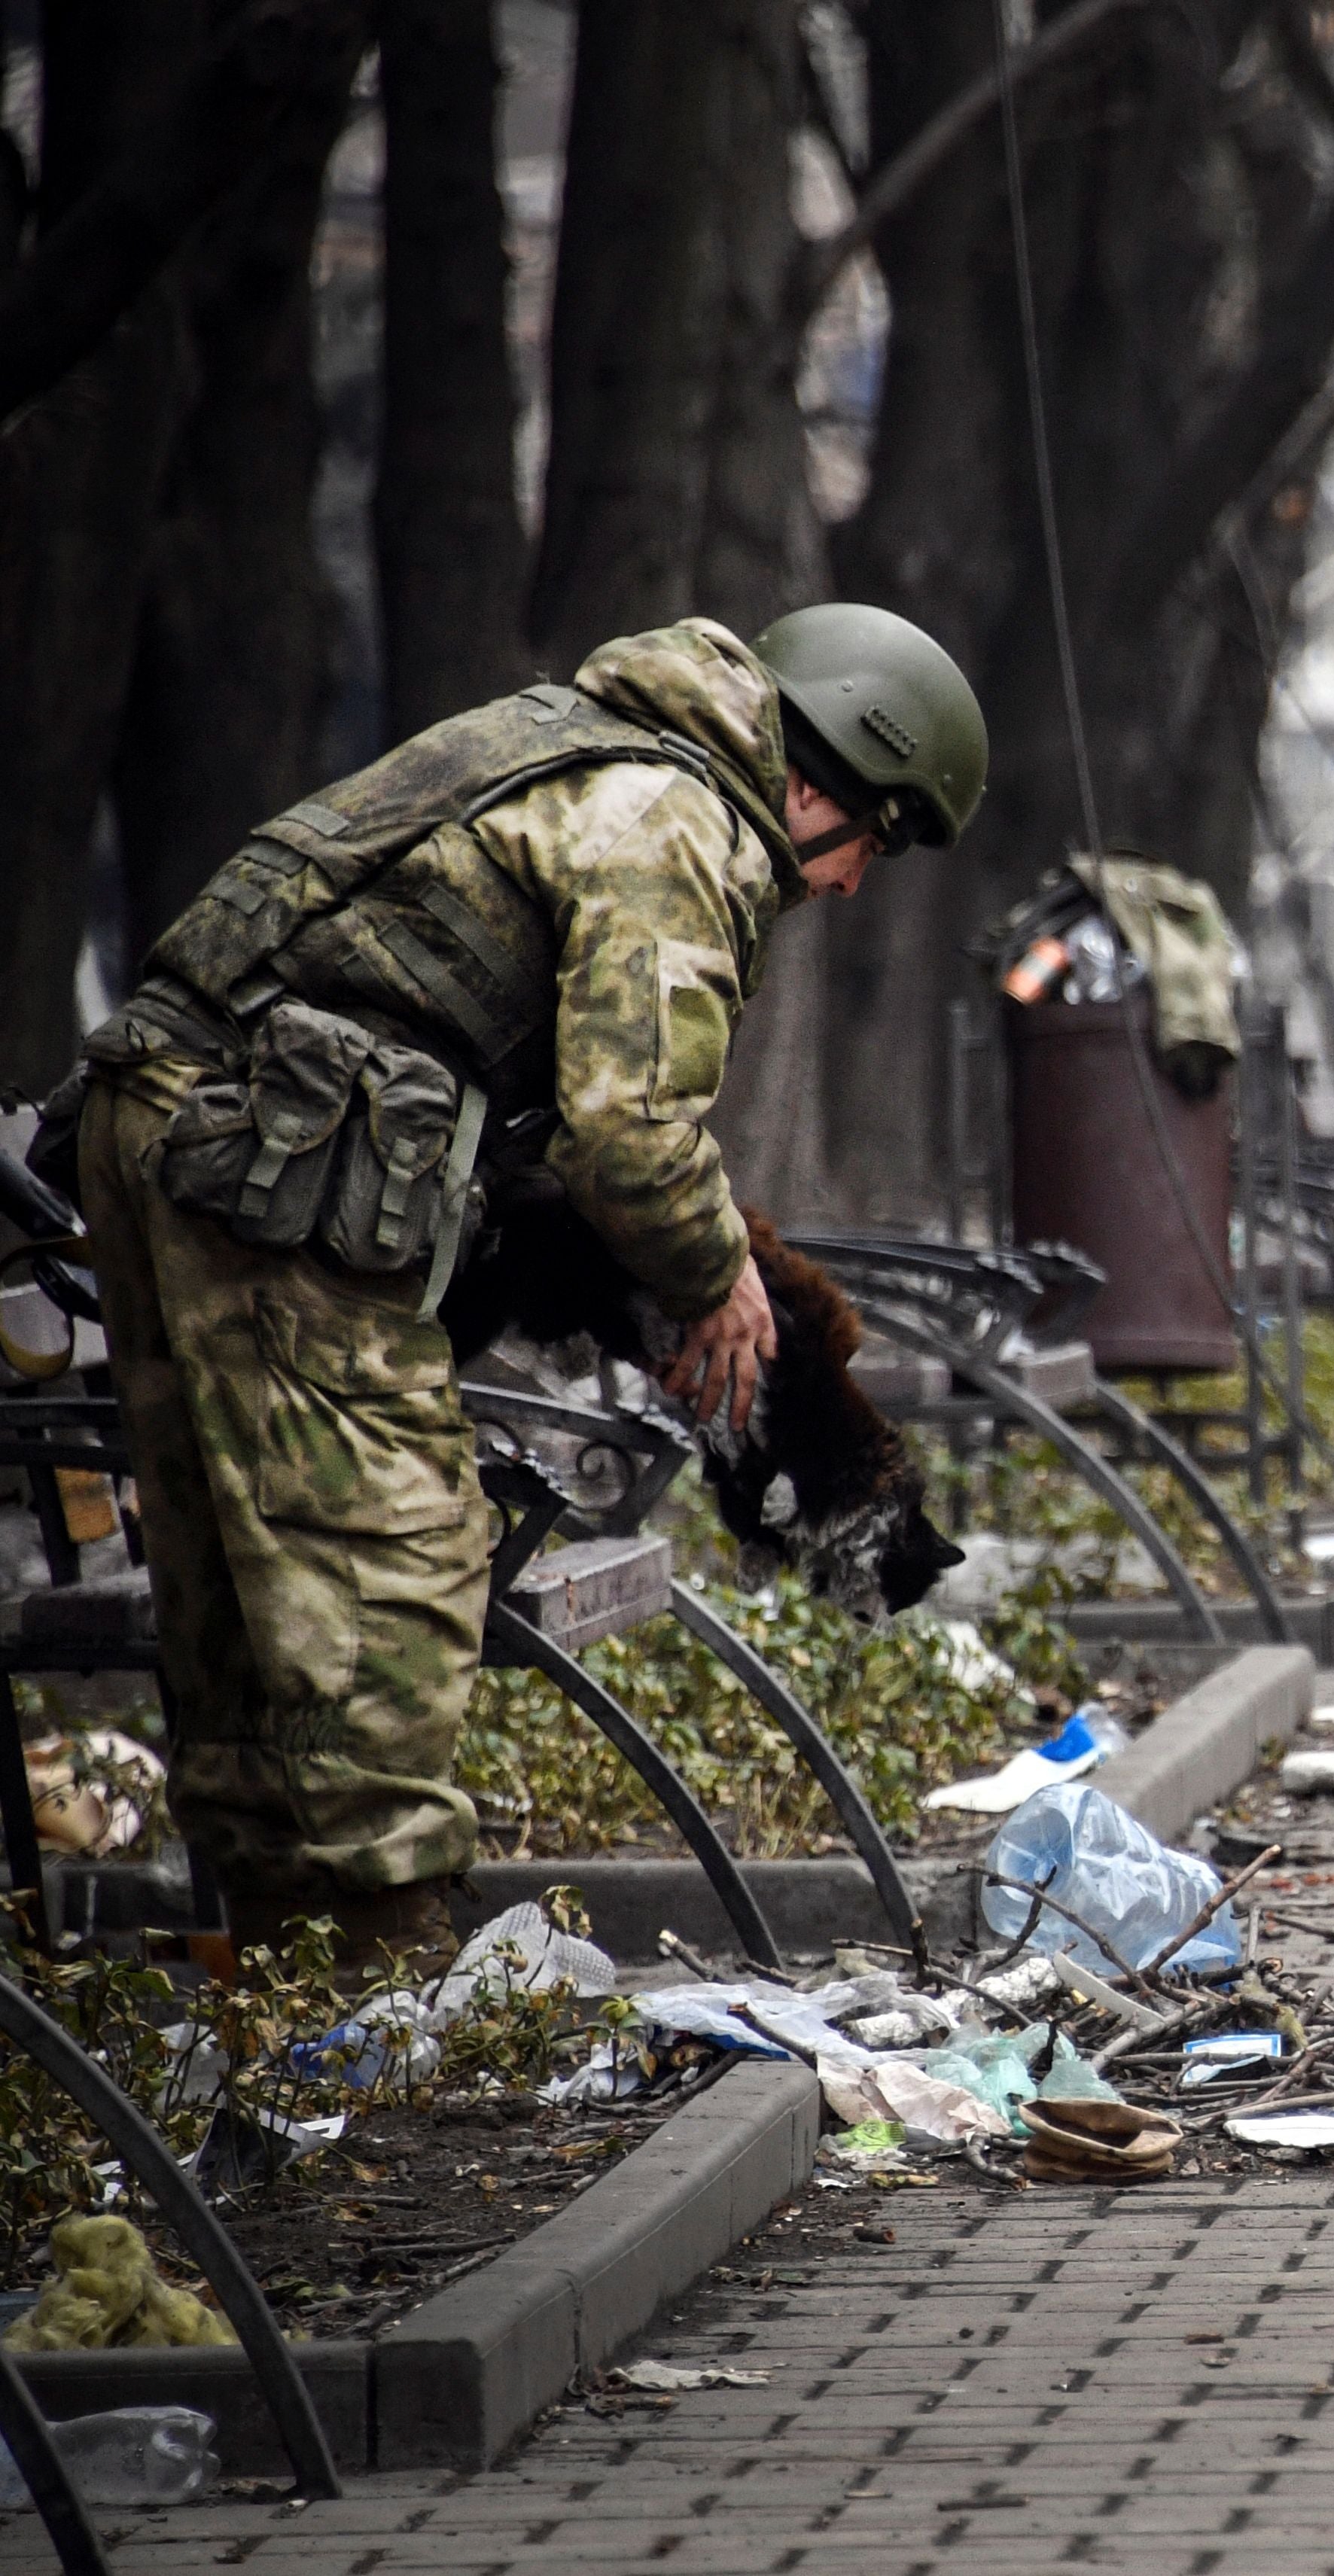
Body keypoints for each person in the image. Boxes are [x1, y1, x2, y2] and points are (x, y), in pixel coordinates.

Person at [63, 606, 987, 1977]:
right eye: (879, 844)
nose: (853, 885)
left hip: (176, 1126)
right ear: (826, 783)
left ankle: (276, 1983)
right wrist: (719, 1273)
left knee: (245, 1601)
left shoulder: (582, 745)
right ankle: (370, 1995)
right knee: (385, 1575)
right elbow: (632, 1135)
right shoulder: (679, 821)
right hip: (270, 1166)